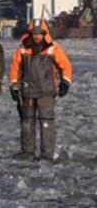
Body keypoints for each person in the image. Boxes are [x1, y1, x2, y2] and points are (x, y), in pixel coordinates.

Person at [8, 21, 72, 162]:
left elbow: (65, 66)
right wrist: (13, 85)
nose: (37, 37)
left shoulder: (53, 48)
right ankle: (27, 152)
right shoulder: (22, 49)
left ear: (45, 34)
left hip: (46, 93)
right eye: (34, 34)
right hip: (28, 92)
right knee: (26, 123)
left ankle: (47, 154)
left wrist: (65, 83)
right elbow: (15, 68)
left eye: (40, 34)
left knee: (46, 122)